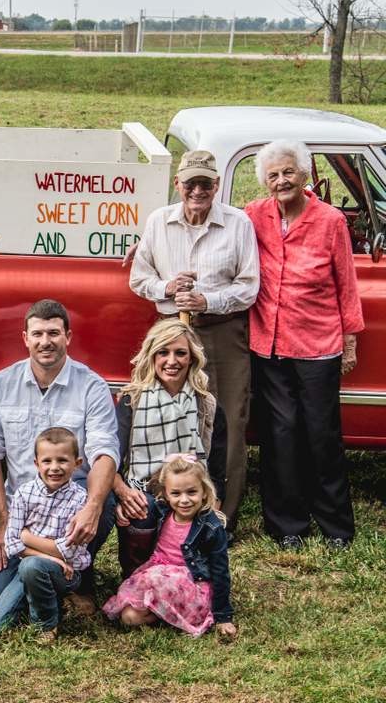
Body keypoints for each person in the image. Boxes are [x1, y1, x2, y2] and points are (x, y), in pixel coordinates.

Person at [129, 149, 259, 532]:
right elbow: (139, 278)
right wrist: (167, 287)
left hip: (222, 328)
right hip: (172, 328)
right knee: (165, 416)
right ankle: (164, 512)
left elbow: (249, 287)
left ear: (216, 185)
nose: (197, 190)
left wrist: (208, 300)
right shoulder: (158, 221)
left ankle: (221, 517)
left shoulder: (238, 224)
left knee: (227, 420)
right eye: (191, 183)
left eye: (206, 183)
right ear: (178, 185)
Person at [245, 140, 363, 550]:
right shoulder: (253, 215)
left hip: (318, 345)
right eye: (273, 175)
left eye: (288, 172)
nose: (281, 181)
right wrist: (148, 242)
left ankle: (336, 527)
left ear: (305, 174)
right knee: (279, 435)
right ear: (264, 181)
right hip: (269, 345)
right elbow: (208, 226)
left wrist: (349, 342)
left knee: (321, 435)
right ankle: (287, 526)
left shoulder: (330, 221)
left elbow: (347, 284)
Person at [0, 298, 119, 615]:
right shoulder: (3, 384)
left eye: (53, 333)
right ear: (25, 338)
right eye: (37, 334)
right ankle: (52, 575)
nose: (45, 342)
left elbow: (104, 451)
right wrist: (3, 522)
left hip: (71, 510)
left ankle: (78, 578)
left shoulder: (91, 386)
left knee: (104, 499)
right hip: (22, 513)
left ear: (68, 336)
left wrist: (93, 507)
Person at [113, 318, 227, 575]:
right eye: (163, 352)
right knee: (143, 507)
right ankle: (136, 577)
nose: (172, 361)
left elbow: (217, 469)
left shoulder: (206, 404)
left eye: (180, 353)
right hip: (145, 489)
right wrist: (122, 495)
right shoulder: (133, 399)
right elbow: (112, 460)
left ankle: (185, 575)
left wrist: (211, 518)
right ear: (151, 357)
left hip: (192, 492)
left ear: (192, 359)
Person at [103, 455, 236, 638]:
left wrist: (224, 616)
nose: (184, 500)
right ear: (166, 493)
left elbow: (221, 571)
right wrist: (122, 507)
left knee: (154, 579)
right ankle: (165, 615)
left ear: (204, 491)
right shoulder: (162, 512)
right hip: (157, 576)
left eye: (192, 492)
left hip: (190, 585)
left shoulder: (211, 527)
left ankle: (180, 615)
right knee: (129, 617)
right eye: (176, 493)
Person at [0, 428, 90, 639]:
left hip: (67, 573)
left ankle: (46, 622)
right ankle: (50, 599)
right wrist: (50, 556)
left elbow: (69, 551)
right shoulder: (24, 494)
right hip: (31, 566)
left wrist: (27, 538)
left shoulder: (80, 499)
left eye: (62, 460)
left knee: (31, 565)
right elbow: (12, 543)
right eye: (47, 461)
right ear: (36, 463)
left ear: (77, 463)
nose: (54, 468)